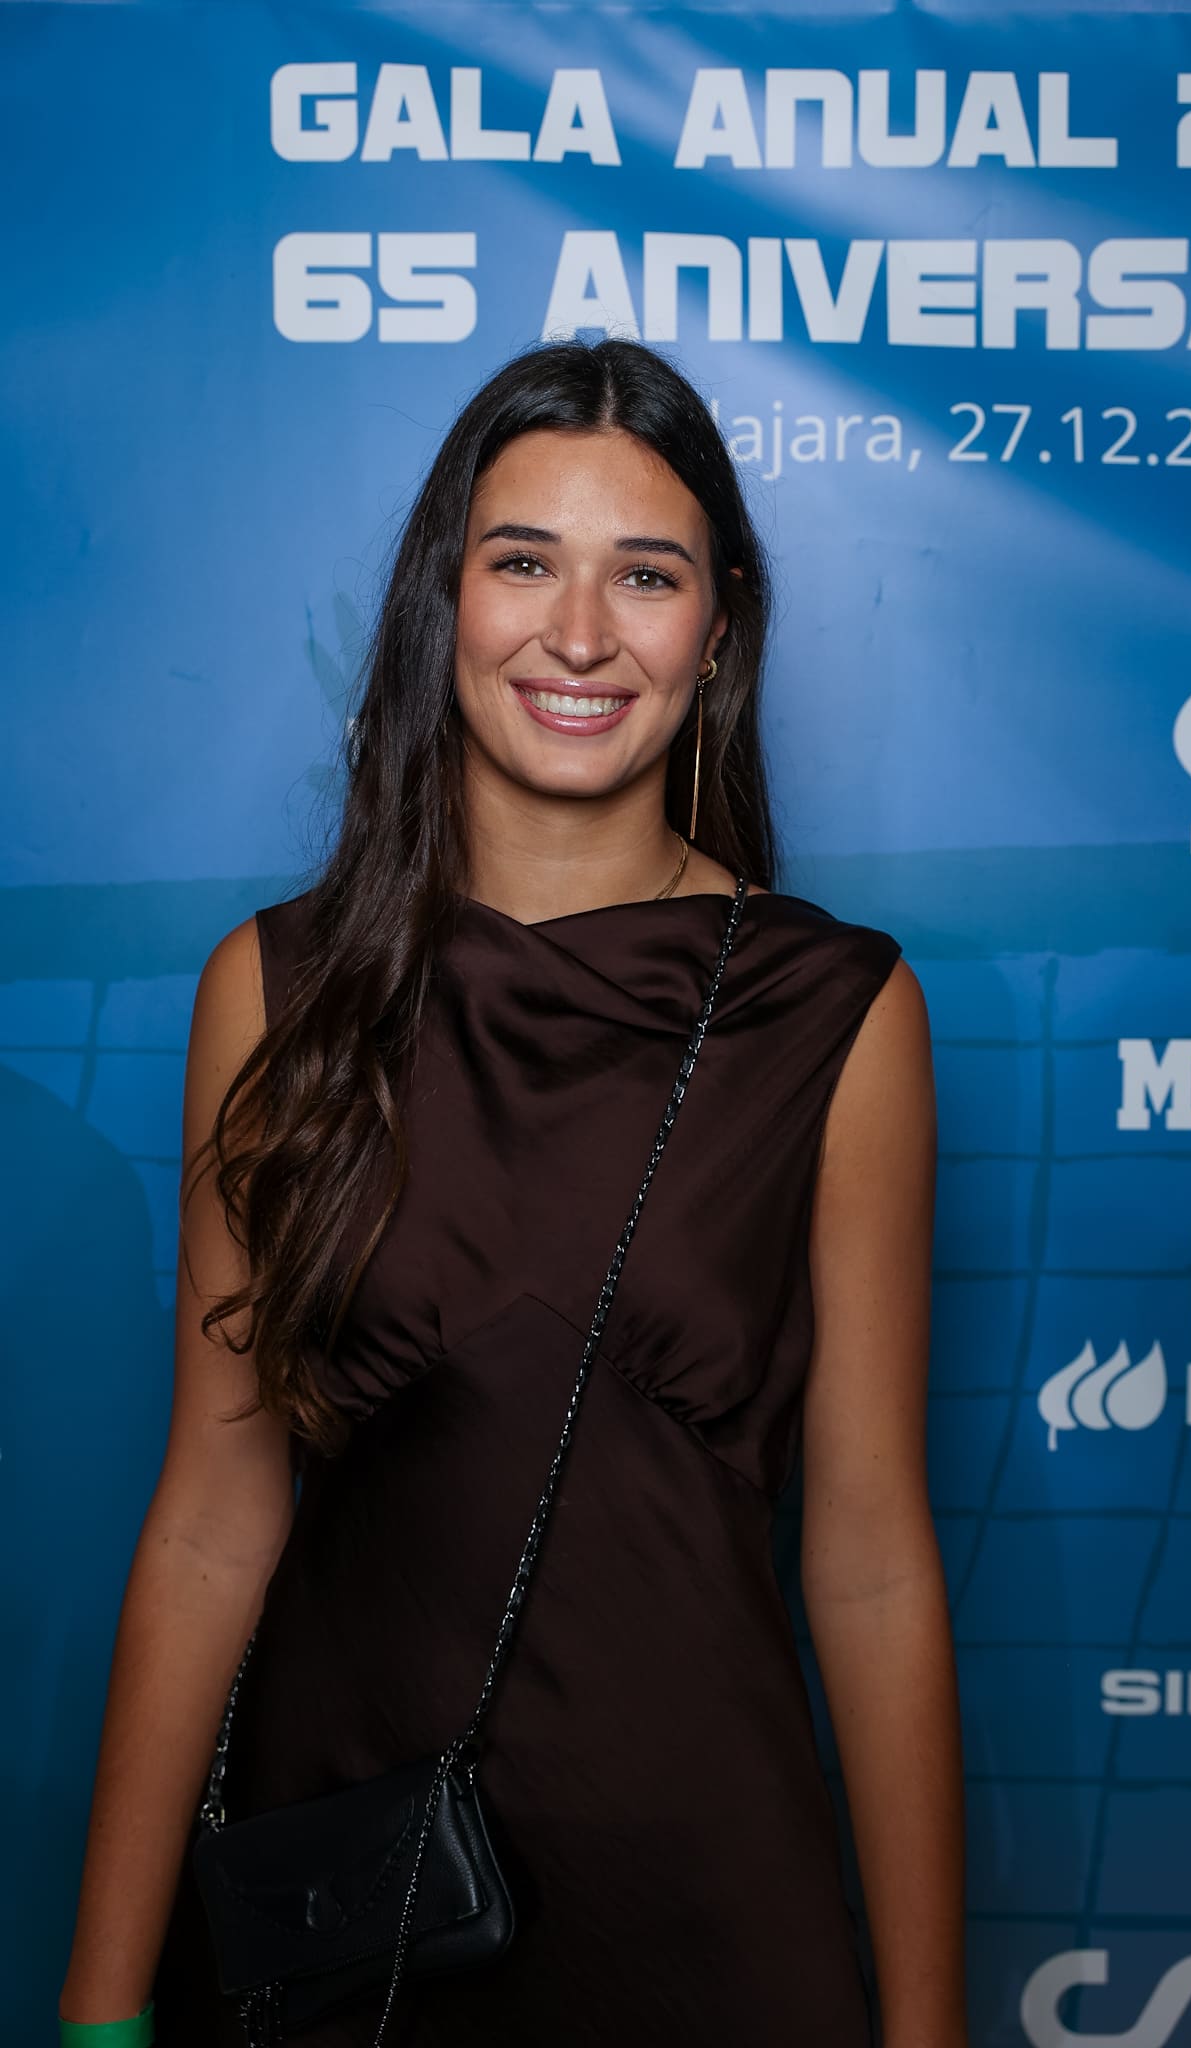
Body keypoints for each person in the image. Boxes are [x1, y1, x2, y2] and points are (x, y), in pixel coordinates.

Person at [60, 338, 966, 2048]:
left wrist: (926, 2027)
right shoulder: (276, 990)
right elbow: (209, 1519)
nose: (580, 633)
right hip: (347, 1903)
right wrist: (99, 2002)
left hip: (704, 1903)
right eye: (525, 562)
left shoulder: (838, 1013)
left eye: (648, 575)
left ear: (719, 631)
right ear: (443, 599)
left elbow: (868, 1557)